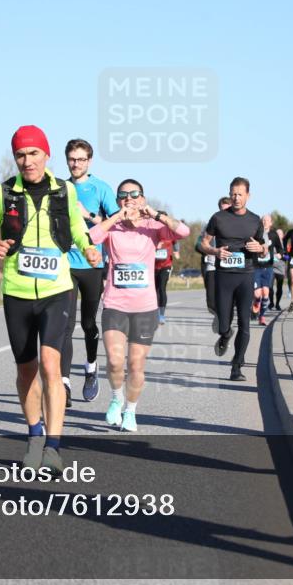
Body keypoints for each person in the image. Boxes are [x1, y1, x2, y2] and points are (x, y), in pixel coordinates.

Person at [0, 125, 101, 475]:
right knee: (26, 368)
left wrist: (87, 245)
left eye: (33, 153)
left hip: (57, 289)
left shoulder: (64, 192)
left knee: (50, 364)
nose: (27, 161)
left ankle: (54, 447)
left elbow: (76, 227)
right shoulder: (3, 193)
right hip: (17, 290)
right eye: (20, 155)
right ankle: (34, 436)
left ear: (46, 154)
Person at [89, 179, 189, 431]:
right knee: (113, 360)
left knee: (135, 364)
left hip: (144, 307)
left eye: (134, 194)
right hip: (115, 303)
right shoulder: (112, 227)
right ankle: (115, 399)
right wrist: (115, 218)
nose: (129, 198)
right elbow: (92, 236)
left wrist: (155, 214)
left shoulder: (152, 226)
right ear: (118, 201)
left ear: (142, 198)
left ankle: (131, 411)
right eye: (123, 195)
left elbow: (183, 232)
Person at [61, 138, 118, 407]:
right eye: (72, 159)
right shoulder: (60, 189)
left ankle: (92, 367)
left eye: (81, 159)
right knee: (65, 323)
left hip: (93, 266)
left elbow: (117, 224)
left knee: (87, 324)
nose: (76, 164)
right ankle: (64, 383)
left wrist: (89, 215)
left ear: (89, 161)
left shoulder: (101, 188)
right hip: (66, 264)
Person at [201, 177, 266, 381]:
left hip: (246, 276)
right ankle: (226, 334)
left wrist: (261, 248)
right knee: (223, 325)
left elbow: (263, 248)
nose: (236, 198)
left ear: (248, 195)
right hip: (224, 277)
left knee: (245, 324)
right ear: (229, 194)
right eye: (233, 194)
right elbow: (201, 243)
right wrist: (214, 250)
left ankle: (237, 366)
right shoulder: (218, 218)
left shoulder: (255, 220)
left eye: (240, 194)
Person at [196, 196, 233, 333]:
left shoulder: (237, 224)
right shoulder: (211, 223)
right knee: (211, 302)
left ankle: (226, 327)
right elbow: (200, 244)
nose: (224, 212)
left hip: (229, 266)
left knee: (227, 300)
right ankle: (219, 316)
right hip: (212, 264)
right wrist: (209, 250)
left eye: (227, 209)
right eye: (222, 209)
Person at [252, 214, 279, 325]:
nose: (264, 222)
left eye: (267, 220)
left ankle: (262, 317)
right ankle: (256, 302)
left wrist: (280, 255)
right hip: (256, 267)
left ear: (271, 223)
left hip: (268, 267)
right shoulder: (255, 233)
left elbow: (281, 249)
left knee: (266, 293)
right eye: (263, 220)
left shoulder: (273, 235)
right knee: (258, 294)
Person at [153, 232, 180, 324]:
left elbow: (176, 242)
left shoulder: (169, 233)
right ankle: (155, 313)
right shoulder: (152, 233)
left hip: (166, 265)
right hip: (153, 265)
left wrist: (176, 251)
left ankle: (161, 314)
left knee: (162, 288)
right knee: (154, 289)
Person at [269, 228, 286, 311]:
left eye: (280, 234)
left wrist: (283, 256)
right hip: (271, 267)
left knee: (279, 287)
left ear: (282, 236)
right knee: (270, 287)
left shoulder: (285, 244)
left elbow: (289, 256)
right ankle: (271, 302)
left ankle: (277, 304)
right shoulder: (271, 242)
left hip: (280, 268)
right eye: (277, 234)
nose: (278, 235)